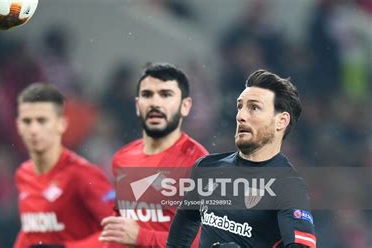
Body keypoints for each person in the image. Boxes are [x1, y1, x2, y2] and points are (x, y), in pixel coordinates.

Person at [167, 69, 316, 248]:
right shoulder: (207, 167)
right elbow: (187, 219)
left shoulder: (289, 187)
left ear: (281, 121)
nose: (240, 116)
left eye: (254, 107)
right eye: (240, 107)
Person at [99, 63, 209, 247]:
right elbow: (118, 232)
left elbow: (205, 240)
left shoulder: (199, 164)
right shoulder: (122, 158)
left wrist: (141, 237)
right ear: (137, 105)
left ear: (185, 106)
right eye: (147, 95)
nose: (155, 103)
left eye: (166, 95)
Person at [14, 83, 114, 248]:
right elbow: (31, 233)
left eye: (42, 121)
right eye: (27, 121)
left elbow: (122, 235)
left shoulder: (82, 174)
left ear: (61, 124)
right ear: (18, 126)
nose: (33, 130)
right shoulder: (24, 174)